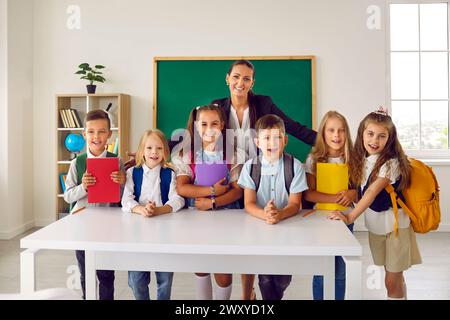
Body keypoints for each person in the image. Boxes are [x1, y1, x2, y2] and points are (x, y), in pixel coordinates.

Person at [328, 107, 422, 300]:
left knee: (391, 280)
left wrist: (349, 217)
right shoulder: (362, 159)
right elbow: (362, 190)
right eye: (370, 134)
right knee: (393, 275)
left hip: (396, 228)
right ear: (362, 133)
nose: (374, 141)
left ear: (390, 139)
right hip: (377, 227)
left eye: (381, 136)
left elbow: (371, 192)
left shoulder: (391, 163)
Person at [173, 104, 243, 300]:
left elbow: (238, 191)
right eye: (204, 124)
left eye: (214, 123)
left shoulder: (233, 154)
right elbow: (182, 187)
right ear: (195, 126)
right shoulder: (186, 153)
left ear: (222, 125)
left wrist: (213, 202)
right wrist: (211, 191)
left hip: (226, 216)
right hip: (197, 217)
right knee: (201, 265)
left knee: (222, 268)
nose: (209, 129)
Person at [237, 114, 308, 300]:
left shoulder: (295, 166)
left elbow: (295, 204)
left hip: (287, 229)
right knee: (265, 278)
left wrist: (279, 214)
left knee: (283, 278)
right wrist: (266, 214)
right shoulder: (250, 167)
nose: (272, 142)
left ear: (285, 140)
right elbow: (249, 203)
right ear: (257, 142)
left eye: (277, 137)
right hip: (259, 230)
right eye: (266, 138)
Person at [63, 109, 126, 300]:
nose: (96, 136)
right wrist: (84, 187)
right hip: (82, 226)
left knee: (106, 274)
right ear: (84, 135)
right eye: (91, 132)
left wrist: (122, 183)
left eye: (101, 131)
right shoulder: (78, 163)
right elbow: (68, 195)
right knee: (86, 273)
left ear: (109, 134)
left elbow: (122, 198)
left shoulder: (116, 161)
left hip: (108, 225)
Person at [121, 129, 185, 300]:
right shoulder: (132, 173)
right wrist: (141, 209)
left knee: (164, 279)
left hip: (163, 233)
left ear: (165, 152)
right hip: (137, 232)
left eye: (159, 148)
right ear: (141, 151)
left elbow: (178, 200)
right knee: (137, 280)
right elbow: (126, 200)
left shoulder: (169, 173)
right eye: (149, 148)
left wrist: (159, 210)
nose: (154, 152)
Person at [303, 110, 357, 300]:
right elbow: (309, 194)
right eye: (331, 130)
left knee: (340, 271)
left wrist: (353, 193)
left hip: (345, 220)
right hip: (321, 220)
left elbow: (360, 191)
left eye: (341, 131)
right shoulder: (313, 159)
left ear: (346, 134)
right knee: (321, 270)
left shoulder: (353, 159)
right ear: (323, 133)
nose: (336, 135)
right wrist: (336, 198)